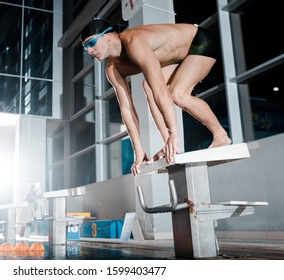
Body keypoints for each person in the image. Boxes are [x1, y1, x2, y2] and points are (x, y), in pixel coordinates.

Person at [80, 19, 232, 176]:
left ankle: (220, 135)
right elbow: (127, 109)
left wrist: (174, 132)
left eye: (91, 43)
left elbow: (160, 89)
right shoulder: (112, 70)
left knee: (178, 94)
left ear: (109, 35)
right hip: (181, 57)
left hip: (199, 42)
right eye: (86, 48)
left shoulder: (134, 42)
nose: (90, 51)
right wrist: (138, 150)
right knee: (148, 87)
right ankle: (170, 146)